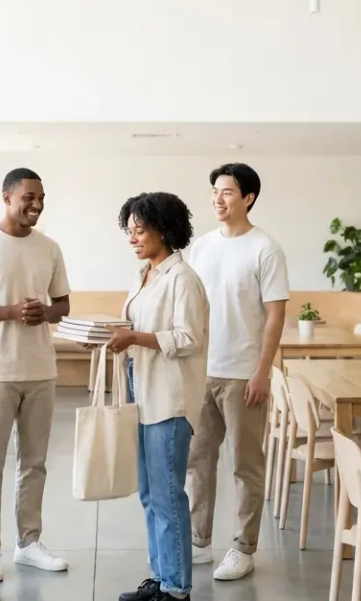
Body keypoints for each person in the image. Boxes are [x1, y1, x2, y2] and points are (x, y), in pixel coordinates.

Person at [0, 168, 72, 582]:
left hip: (42, 370)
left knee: (34, 462)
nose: (36, 204)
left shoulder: (49, 248)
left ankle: (29, 542)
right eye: (28, 197)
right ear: (6, 197)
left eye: (41, 198)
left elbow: (63, 305)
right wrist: (8, 312)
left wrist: (45, 312)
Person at [185, 163, 289, 581]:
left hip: (244, 374)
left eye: (226, 192)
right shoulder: (201, 247)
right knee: (198, 460)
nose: (217, 198)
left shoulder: (266, 249)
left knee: (245, 464)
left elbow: (275, 317)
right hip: (202, 371)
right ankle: (197, 541)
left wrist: (262, 373)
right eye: (214, 190)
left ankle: (243, 548)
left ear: (247, 198)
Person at [105, 192, 209, 601]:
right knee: (150, 494)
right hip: (142, 392)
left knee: (168, 494)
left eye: (139, 230)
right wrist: (108, 337)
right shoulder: (145, 274)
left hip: (170, 399)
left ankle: (177, 588)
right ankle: (161, 576)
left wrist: (134, 337)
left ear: (164, 229)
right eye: (128, 231)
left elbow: (188, 337)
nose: (132, 238)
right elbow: (133, 324)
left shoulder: (182, 278)